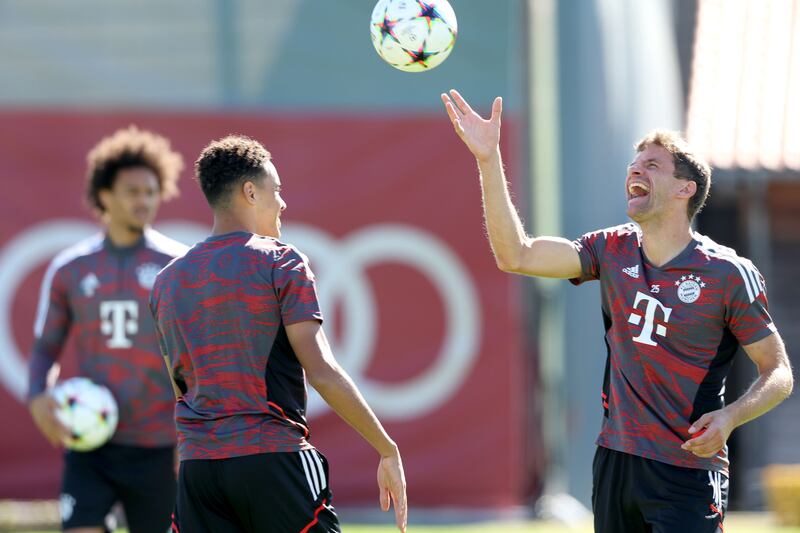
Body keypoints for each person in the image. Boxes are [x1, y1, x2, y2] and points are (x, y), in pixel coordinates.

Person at [441, 89, 794, 532]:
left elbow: (778, 371)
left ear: (686, 189)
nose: (635, 169)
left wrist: (730, 416)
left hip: (686, 467)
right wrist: (488, 160)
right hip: (616, 462)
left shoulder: (727, 273)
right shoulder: (610, 248)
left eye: (652, 165)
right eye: (634, 163)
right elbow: (518, 255)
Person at [149, 135, 407, 533]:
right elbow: (320, 370)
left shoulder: (167, 281)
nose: (283, 203)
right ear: (250, 192)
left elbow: (180, 387)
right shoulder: (281, 261)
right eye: (277, 190)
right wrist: (386, 449)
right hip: (272, 460)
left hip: (199, 471)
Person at [27, 126, 186, 533]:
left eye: (151, 192)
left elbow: (200, 355)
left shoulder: (178, 266)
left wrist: (194, 432)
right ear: (104, 196)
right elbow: (46, 347)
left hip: (160, 445)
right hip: (91, 440)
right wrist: (37, 396)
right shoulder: (71, 268)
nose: (144, 201)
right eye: (133, 191)